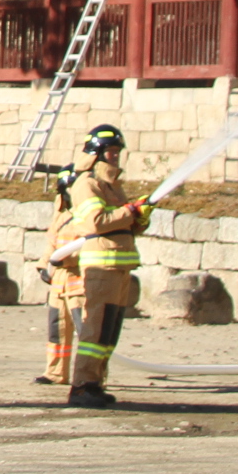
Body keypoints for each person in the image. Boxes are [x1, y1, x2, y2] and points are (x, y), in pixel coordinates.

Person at [52, 125, 151, 410]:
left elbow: (121, 226)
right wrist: (129, 211)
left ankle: (95, 384)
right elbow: (95, 222)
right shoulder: (87, 184)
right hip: (101, 266)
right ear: (96, 154)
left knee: (109, 332)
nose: (115, 157)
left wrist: (140, 218)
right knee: (95, 331)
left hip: (119, 265)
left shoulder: (111, 186)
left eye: (118, 152)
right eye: (111, 152)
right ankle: (82, 386)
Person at [37, 165, 78, 387]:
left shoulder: (91, 214)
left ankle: (91, 378)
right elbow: (52, 242)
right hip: (59, 283)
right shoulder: (62, 214)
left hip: (81, 284)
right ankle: (55, 372)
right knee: (57, 330)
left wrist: (66, 259)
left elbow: (94, 245)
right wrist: (43, 265)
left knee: (89, 335)